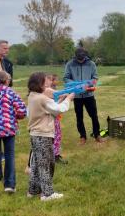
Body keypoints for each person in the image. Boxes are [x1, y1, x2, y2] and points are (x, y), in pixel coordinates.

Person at [26, 72, 74, 201]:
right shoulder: (42, 98)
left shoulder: (33, 96)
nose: (48, 84)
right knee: (46, 164)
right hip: (43, 135)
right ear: (39, 84)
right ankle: (47, 194)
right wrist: (69, 99)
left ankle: (33, 190)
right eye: (45, 82)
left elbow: (49, 110)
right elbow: (59, 109)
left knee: (36, 163)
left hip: (35, 134)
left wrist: (60, 99)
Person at [64, 48, 103, 145]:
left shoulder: (91, 64)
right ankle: (82, 136)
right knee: (79, 117)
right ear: (76, 56)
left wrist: (87, 85)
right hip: (77, 96)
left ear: (85, 55)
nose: (80, 59)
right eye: (78, 58)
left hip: (89, 95)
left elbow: (95, 78)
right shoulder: (70, 64)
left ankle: (97, 134)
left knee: (94, 116)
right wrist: (76, 84)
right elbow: (66, 78)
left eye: (82, 57)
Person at [48, 74, 67, 164]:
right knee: (56, 135)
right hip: (52, 117)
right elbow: (55, 106)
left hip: (54, 117)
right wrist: (64, 97)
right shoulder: (49, 93)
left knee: (57, 135)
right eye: (54, 80)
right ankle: (55, 156)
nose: (56, 81)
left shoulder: (51, 91)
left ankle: (55, 154)